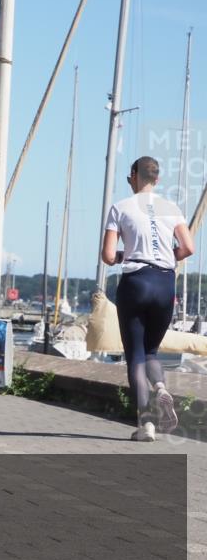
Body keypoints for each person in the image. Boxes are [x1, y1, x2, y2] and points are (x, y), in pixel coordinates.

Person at [101, 156, 194, 441]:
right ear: (157, 179)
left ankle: (146, 426)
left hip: (136, 283)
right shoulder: (171, 208)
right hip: (165, 283)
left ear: (134, 176)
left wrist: (121, 256)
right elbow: (188, 247)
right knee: (152, 350)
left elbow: (107, 256)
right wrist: (166, 257)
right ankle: (162, 388)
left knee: (136, 358)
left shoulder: (120, 207)